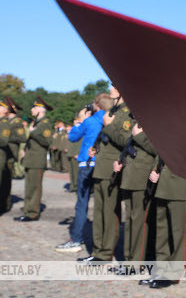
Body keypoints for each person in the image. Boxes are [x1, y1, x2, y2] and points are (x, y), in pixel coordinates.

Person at [82, 86, 132, 263]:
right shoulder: (113, 111)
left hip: (113, 168)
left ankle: (106, 252)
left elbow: (126, 141)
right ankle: (98, 250)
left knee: (110, 213)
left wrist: (109, 126)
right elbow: (106, 138)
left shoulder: (127, 112)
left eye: (115, 84)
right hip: (101, 167)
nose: (111, 87)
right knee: (99, 212)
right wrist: (95, 149)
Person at [55, 94, 110, 253]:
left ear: (97, 105)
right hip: (104, 165)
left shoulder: (90, 121)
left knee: (82, 203)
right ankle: (104, 243)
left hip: (87, 164)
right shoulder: (111, 119)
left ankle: (76, 239)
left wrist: (80, 120)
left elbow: (72, 137)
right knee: (104, 204)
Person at [142, 154, 186, 289]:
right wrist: (154, 169)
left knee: (179, 233)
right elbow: (160, 153)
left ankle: (174, 273)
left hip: (180, 184)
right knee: (162, 233)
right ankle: (160, 270)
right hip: (162, 185)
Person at [116, 119, 157, 272]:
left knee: (139, 221)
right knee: (130, 221)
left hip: (141, 179)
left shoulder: (153, 124)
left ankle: (136, 263)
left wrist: (138, 136)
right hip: (129, 177)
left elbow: (156, 150)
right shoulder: (136, 122)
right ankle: (128, 260)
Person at [16, 96, 55, 222]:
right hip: (30, 159)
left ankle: (32, 213)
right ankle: (28, 209)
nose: (32, 109)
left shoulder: (45, 123)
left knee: (34, 187)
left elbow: (47, 141)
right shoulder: (36, 123)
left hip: (37, 160)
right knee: (29, 187)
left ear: (41, 110)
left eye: (34, 107)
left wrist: (33, 133)